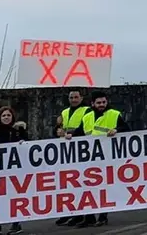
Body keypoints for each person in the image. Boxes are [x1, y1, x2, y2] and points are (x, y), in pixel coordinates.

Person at [67, 91, 129, 227]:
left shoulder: (114, 114)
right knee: (87, 188)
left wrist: (117, 130)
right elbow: (79, 133)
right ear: (93, 103)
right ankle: (89, 217)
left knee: (104, 189)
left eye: (103, 102)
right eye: (99, 103)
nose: (101, 105)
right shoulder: (87, 117)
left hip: (108, 158)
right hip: (89, 158)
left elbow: (126, 129)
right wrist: (69, 136)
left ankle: (102, 216)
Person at [0, 107, 28, 235]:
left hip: (14, 171)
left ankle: (16, 224)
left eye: (8, 115)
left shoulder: (18, 131)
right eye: (3, 115)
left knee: (13, 198)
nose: (6, 117)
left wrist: (23, 142)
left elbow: (28, 145)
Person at [55, 91, 92, 226]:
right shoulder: (64, 112)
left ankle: (87, 215)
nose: (74, 99)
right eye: (71, 97)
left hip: (83, 149)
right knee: (70, 183)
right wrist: (57, 130)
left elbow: (85, 128)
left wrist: (68, 134)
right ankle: (74, 214)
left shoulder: (87, 110)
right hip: (68, 151)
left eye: (76, 97)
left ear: (81, 98)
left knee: (84, 183)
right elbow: (60, 130)